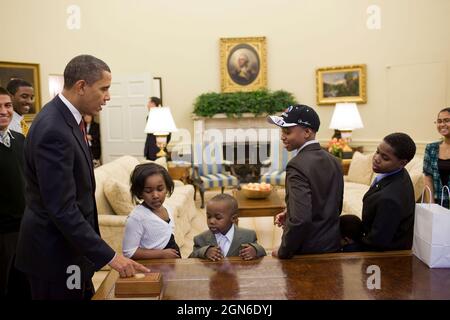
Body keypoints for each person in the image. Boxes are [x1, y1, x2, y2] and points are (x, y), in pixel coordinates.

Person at [15, 55, 149, 300]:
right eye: (104, 89)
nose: (108, 97)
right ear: (81, 86)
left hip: (72, 253)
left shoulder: (68, 119)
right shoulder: (53, 129)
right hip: (54, 257)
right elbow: (62, 208)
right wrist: (111, 257)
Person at [267, 104, 343, 258]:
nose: (282, 136)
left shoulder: (296, 165)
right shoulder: (334, 160)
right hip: (332, 245)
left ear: (307, 132)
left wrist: (284, 251)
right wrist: (291, 211)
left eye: (287, 131)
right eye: (282, 131)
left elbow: (301, 220)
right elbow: (333, 205)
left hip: (306, 251)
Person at [361, 132, 416, 251]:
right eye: (377, 152)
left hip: (386, 256)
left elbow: (376, 243)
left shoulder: (390, 199)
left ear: (402, 163)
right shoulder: (400, 173)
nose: (376, 158)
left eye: (385, 158)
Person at [0, 87, 30, 298]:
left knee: (25, 286)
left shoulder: (20, 141)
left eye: (7, 105)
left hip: (27, 229)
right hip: (2, 234)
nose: (4, 111)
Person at [122, 163, 181, 259]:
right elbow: (128, 252)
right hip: (155, 264)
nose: (155, 195)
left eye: (160, 189)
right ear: (139, 192)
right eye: (148, 191)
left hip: (172, 260)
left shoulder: (167, 208)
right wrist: (161, 254)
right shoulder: (137, 218)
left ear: (167, 188)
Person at [189, 193, 266, 260]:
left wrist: (255, 250)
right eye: (209, 217)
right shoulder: (201, 238)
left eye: (218, 218)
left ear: (233, 218)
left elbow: (262, 252)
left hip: (238, 275)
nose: (211, 221)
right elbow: (190, 258)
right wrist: (205, 252)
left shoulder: (248, 235)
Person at [423, 107, 450, 208]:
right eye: (439, 121)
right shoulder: (431, 148)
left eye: (447, 120)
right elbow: (428, 177)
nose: (442, 124)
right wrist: (432, 205)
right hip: (438, 204)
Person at [144, 96, 171, 160]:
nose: (147, 105)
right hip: (150, 150)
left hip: (157, 151)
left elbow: (168, 133)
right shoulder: (149, 116)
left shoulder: (162, 116)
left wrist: (162, 145)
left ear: (153, 104)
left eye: (149, 103)